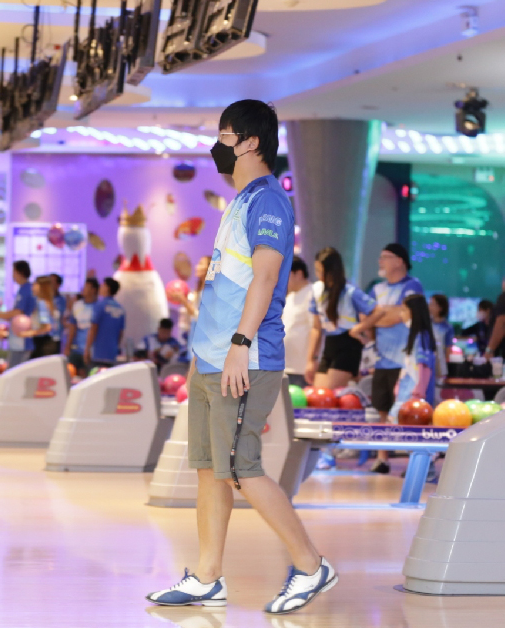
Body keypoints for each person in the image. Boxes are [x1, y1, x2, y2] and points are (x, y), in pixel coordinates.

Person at [148, 99, 335, 615]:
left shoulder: (268, 201)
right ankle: (207, 576)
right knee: (210, 469)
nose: (217, 146)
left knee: (241, 469)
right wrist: (205, 353)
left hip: (244, 359)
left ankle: (311, 565)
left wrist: (239, 344)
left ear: (251, 142)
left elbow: (267, 277)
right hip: (210, 359)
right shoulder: (240, 201)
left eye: (225, 136)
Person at [347, 243, 423, 474]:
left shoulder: (412, 285)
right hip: (381, 359)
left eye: (385, 257)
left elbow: (399, 316)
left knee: (407, 411)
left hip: (406, 361)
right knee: (382, 409)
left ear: (400, 261)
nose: (380, 261)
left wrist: (377, 316)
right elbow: (367, 317)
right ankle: (383, 458)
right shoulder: (377, 289)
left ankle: (414, 460)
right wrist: (381, 316)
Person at [304, 247, 376, 389]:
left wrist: (360, 328)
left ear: (332, 270)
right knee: (318, 394)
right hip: (329, 343)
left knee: (329, 393)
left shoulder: (350, 292)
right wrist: (311, 360)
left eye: (321, 271)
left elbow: (377, 311)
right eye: (317, 270)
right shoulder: (317, 290)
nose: (318, 275)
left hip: (349, 344)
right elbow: (316, 328)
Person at [389, 294, 437, 417]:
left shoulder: (422, 337)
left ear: (414, 312)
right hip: (405, 395)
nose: (401, 314)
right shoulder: (415, 335)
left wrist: (418, 394)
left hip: (414, 399)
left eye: (404, 310)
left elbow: (424, 368)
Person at [0, 261, 37, 367]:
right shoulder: (23, 289)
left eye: (14, 272)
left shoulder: (26, 289)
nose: (13, 275)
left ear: (20, 272)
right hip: (19, 339)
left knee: (16, 370)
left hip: (23, 340)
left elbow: (18, 312)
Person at [281, 256, 313, 386]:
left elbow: (315, 330)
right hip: (286, 366)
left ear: (299, 274)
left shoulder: (312, 294)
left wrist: (311, 361)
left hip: (303, 368)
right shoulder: (289, 298)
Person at [85, 278, 126, 368]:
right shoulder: (121, 309)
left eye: (103, 285)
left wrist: (87, 349)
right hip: (112, 353)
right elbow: (121, 333)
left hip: (98, 353)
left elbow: (93, 329)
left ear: (107, 288)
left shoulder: (99, 306)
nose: (100, 287)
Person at [179, 256, 212, 361]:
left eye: (201, 264)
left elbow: (203, 318)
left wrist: (183, 301)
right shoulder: (199, 290)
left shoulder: (210, 291)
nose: (197, 267)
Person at [64, 278, 99, 373]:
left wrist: (88, 349)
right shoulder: (77, 305)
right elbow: (72, 326)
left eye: (86, 287)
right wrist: (68, 346)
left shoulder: (98, 307)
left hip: (92, 351)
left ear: (93, 290)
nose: (83, 289)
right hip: (76, 349)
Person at [26, 276, 57, 359]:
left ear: (42, 287)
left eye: (34, 285)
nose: (32, 288)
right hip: (41, 344)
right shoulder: (43, 303)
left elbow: (47, 327)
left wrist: (29, 333)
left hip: (44, 346)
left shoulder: (42, 304)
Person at [429, 294, 453, 375]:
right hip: (427, 363)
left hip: (440, 365)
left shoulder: (447, 327)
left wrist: (445, 363)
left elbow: (448, 348)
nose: (429, 307)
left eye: (432, 304)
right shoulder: (426, 324)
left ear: (440, 308)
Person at [50, 273, 67, 352]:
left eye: (52, 282)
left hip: (56, 336)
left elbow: (63, 317)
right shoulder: (42, 299)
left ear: (58, 285)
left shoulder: (62, 300)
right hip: (43, 337)